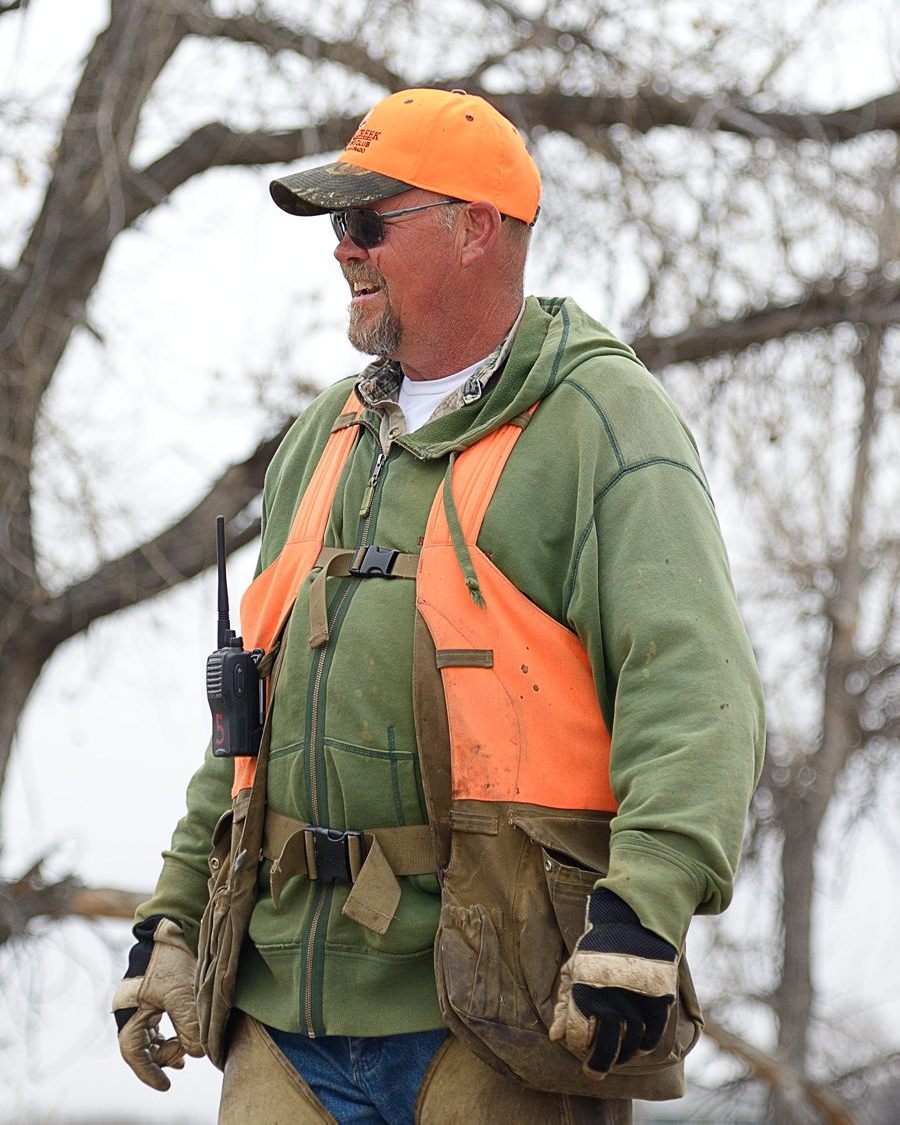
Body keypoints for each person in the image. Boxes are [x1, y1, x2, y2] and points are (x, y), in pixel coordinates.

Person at [113, 88, 765, 1123]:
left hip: (498, 1015)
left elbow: (693, 691)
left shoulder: (601, 423)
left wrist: (644, 912)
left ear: (475, 228)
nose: (343, 250)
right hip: (283, 1020)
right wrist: (176, 918)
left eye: (368, 221)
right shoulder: (323, 435)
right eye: (337, 226)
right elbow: (245, 724)